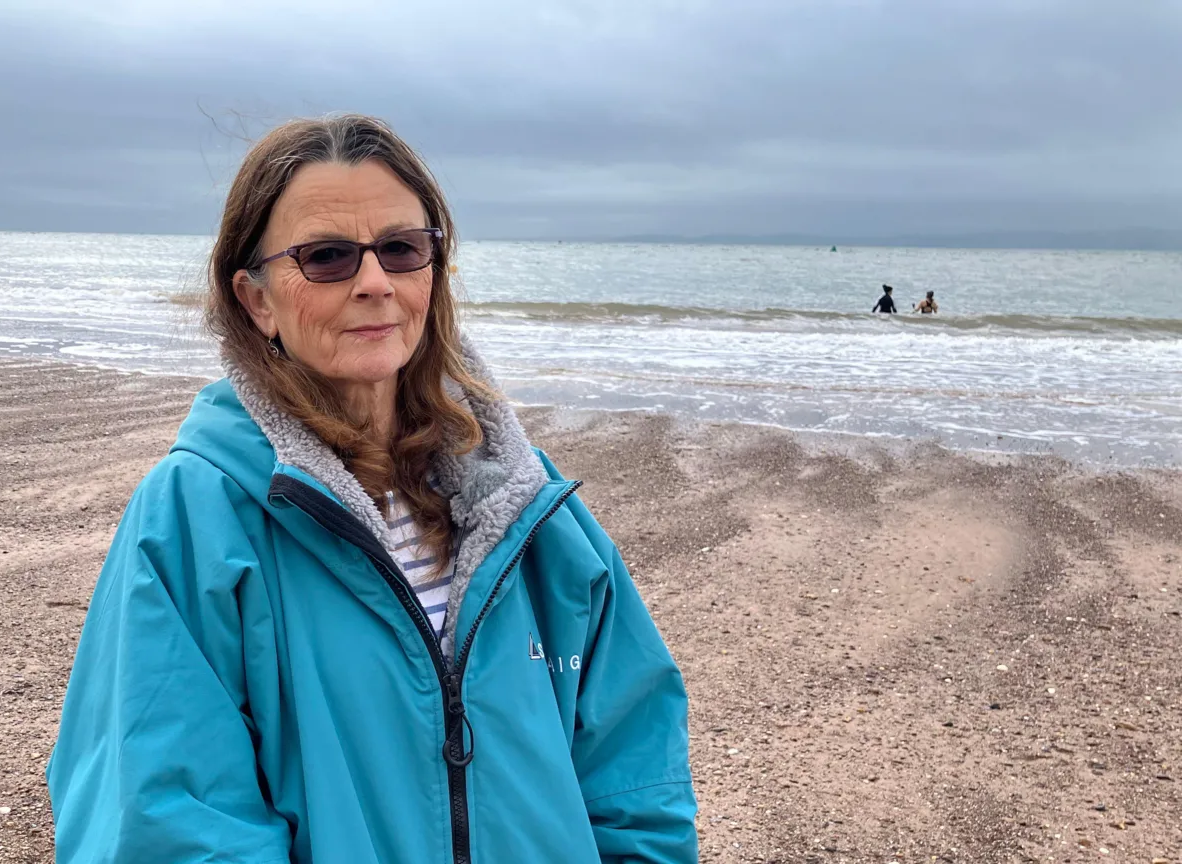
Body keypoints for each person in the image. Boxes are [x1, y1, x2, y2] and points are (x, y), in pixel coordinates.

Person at [46, 114, 697, 863]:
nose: (375, 283)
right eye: (326, 257)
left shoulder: (528, 509)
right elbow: (164, 818)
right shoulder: (196, 518)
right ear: (256, 299)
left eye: (401, 248)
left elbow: (634, 777)